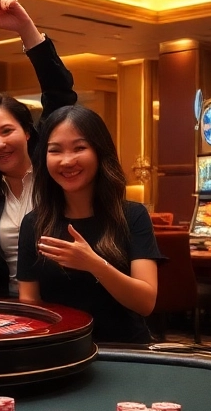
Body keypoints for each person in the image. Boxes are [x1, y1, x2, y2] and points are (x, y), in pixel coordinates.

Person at [0, 0, 76, 297]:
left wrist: (26, 29)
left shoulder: (56, 171)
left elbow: (59, 93)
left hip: (66, 305)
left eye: (7, 131)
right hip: (10, 310)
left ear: (27, 132)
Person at [17, 106, 164, 343]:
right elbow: (30, 304)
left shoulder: (133, 215)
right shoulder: (34, 223)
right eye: (55, 150)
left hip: (126, 351)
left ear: (99, 152)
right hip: (62, 351)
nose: (67, 161)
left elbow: (145, 302)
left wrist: (94, 264)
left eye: (79, 148)